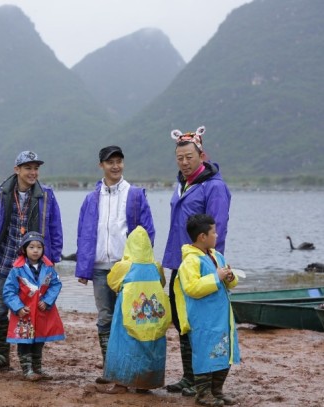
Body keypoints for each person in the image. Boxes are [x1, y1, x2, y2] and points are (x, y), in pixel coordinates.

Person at [0, 151, 63, 371]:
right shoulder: (0, 193)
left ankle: (32, 362)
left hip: (33, 267)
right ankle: (2, 357)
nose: (33, 173)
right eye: (28, 168)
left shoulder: (47, 195)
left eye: (36, 168)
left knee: (34, 313)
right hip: (4, 261)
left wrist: (53, 257)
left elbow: (55, 227)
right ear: (17, 170)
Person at [75, 145, 155, 383]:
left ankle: (132, 369)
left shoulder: (135, 194)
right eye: (110, 162)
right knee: (105, 318)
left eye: (119, 161)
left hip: (127, 269)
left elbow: (147, 231)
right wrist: (83, 267)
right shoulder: (91, 198)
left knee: (131, 317)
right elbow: (84, 233)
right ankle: (111, 370)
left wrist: (142, 265)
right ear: (102, 165)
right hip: (99, 268)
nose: (116, 166)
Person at [163, 126, 232, 397]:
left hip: (201, 265)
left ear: (202, 155)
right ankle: (189, 377)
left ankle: (203, 381)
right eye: (179, 157)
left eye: (189, 156)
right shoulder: (182, 184)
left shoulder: (214, 187)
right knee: (183, 322)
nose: (184, 162)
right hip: (178, 263)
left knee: (202, 325)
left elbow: (219, 228)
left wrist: (214, 263)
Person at [175, 214, 239, 406]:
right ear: (202, 236)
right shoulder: (190, 261)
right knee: (204, 354)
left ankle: (216, 391)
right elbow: (191, 288)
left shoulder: (216, 255)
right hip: (203, 319)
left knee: (224, 351)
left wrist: (229, 277)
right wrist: (216, 277)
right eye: (214, 232)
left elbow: (230, 284)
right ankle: (202, 394)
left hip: (221, 317)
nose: (217, 235)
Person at [99, 226, 171, 394]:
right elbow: (162, 283)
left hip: (129, 314)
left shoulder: (124, 266)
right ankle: (144, 383)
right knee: (149, 345)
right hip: (152, 316)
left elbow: (112, 282)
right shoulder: (156, 266)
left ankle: (121, 383)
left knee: (124, 344)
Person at [3, 231, 65, 381]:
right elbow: (8, 291)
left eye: (39, 247)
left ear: (43, 249)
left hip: (42, 311)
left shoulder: (49, 268)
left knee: (39, 340)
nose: (35, 250)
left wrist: (48, 301)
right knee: (24, 341)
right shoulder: (17, 269)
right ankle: (27, 370)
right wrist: (18, 307)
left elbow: (55, 285)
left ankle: (37, 368)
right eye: (31, 247)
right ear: (24, 249)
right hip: (25, 312)